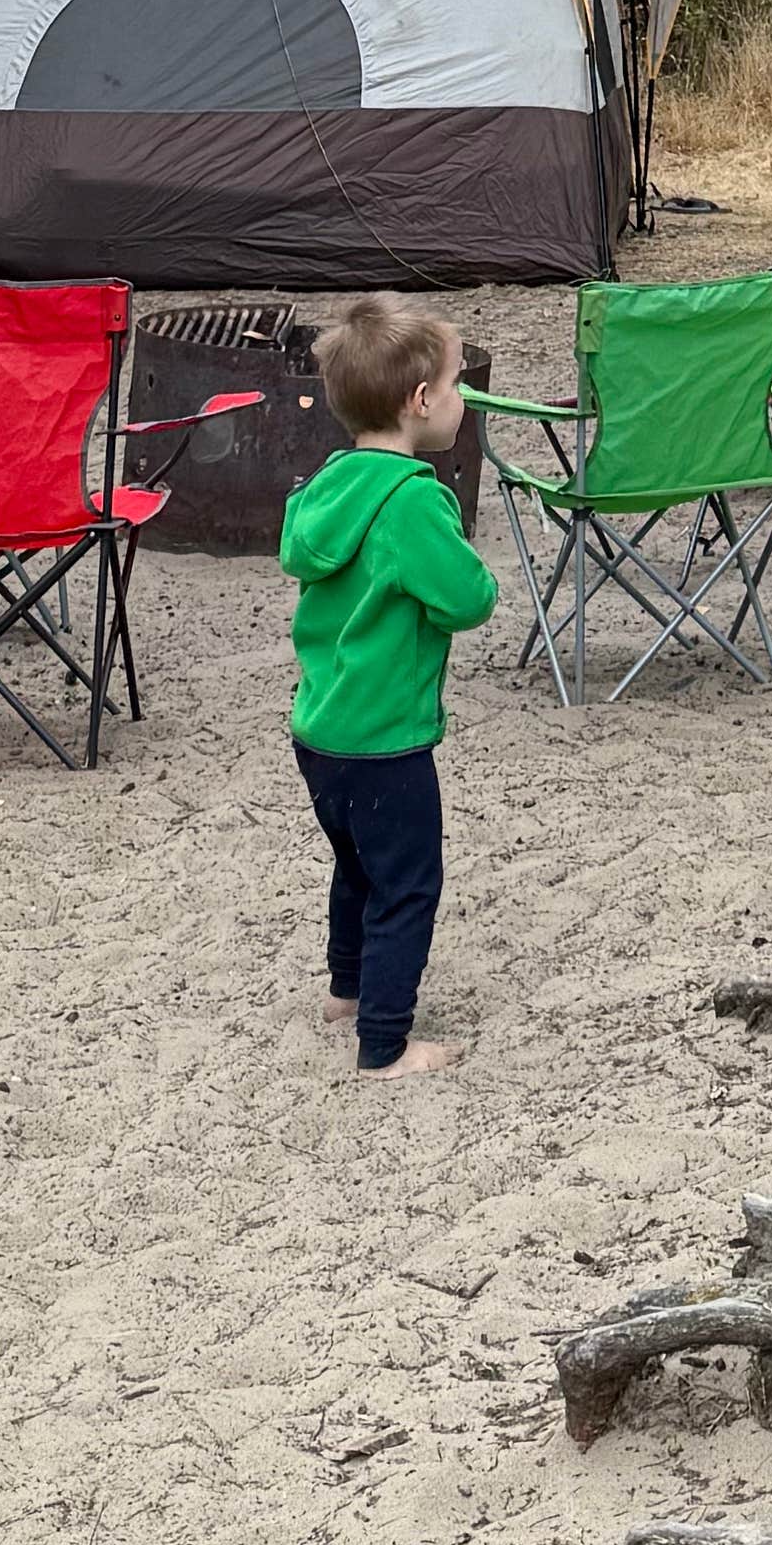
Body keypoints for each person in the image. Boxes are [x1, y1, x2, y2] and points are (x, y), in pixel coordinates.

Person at [276, 296, 500, 1077]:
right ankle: (386, 1042)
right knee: (407, 885)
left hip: (322, 730)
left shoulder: (330, 483)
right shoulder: (410, 500)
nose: (462, 397)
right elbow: (467, 598)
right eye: (456, 383)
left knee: (357, 865)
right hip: (386, 739)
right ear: (420, 403)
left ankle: (347, 988)